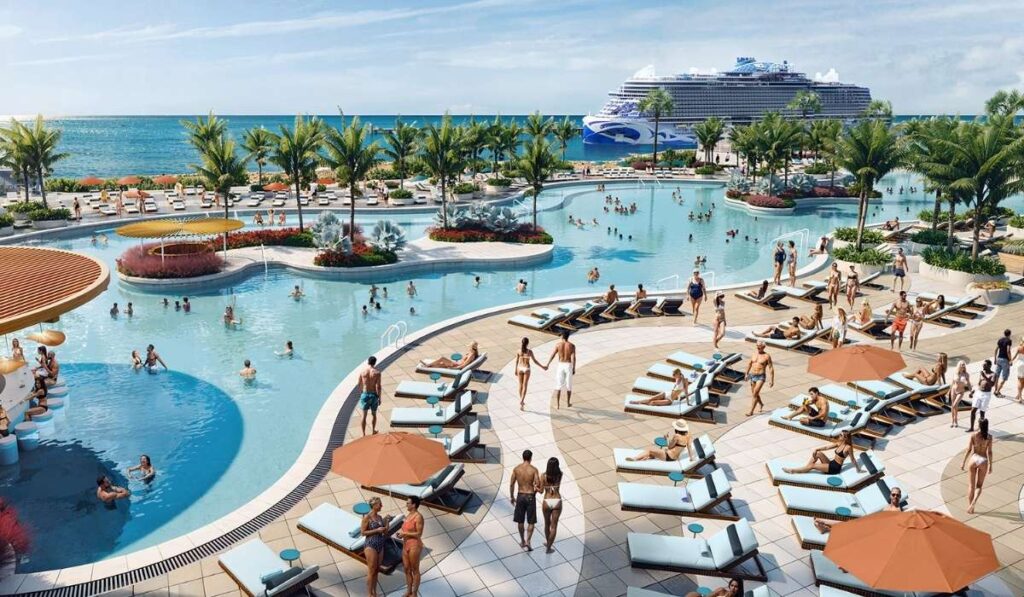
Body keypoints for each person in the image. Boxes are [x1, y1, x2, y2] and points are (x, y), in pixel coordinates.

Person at [813, 487, 903, 534]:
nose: (895, 496)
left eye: (897, 495)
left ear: (900, 497)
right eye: (893, 494)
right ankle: (826, 528)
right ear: (890, 495)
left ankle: (824, 525)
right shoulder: (887, 506)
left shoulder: (898, 511)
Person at [784, 430, 861, 474]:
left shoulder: (848, 447)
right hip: (831, 463)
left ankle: (793, 470)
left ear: (845, 438)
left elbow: (853, 459)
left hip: (835, 468)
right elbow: (827, 447)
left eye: (841, 435)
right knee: (818, 453)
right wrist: (817, 449)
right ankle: (806, 468)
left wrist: (858, 469)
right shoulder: (839, 443)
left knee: (813, 465)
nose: (839, 436)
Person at [360, 497, 394, 597]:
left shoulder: (379, 517)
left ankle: (374, 593)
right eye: (379, 504)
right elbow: (363, 532)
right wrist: (376, 530)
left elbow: (385, 531)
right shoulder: (367, 518)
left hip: (380, 544)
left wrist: (387, 522)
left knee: (376, 570)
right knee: (371, 570)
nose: (381, 506)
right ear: (374, 506)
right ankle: (369, 594)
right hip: (371, 544)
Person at [510, 450, 541, 551]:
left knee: (520, 520)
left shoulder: (516, 469)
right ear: (531, 458)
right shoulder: (534, 470)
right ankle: (528, 541)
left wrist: (512, 497)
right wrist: (535, 490)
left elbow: (511, 484)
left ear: (523, 457)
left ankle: (522, 541)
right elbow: (538, 483)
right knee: (531, 521)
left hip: (520, 495)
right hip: (530, 496)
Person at [962, 418, 993, 514]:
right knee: (979, 486)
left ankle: (971, 507)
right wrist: (991, 465)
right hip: (983, 460)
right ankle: (974, 503)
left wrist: (963, 462)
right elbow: (990, 452)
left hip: (974, 459)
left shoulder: (974, 435)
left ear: (979, 425)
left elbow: (968, 449)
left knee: (971, 485)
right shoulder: (989, 437)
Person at [626, 419, 695, 461]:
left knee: (649, 450)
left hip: (669, 456)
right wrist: (691, 457)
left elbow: (669, 447)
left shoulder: (676, 436)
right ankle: (644, 458)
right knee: (653, 454)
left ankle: (635, 458)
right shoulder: (688, 435)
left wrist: (666, 438)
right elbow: (689, 447)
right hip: (675, 458)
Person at [397, 496, 424, 596]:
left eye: (408, 503)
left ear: (414, 505)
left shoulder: (418, 517)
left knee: (415, 569)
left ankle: (415, 593)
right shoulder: (409, 515)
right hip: (405, 545)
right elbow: (406, 530)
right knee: (407, 569)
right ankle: (409, 590)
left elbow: (419, 533)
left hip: (414, 545)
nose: (406, 504)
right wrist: (401, 534)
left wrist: (405, 534)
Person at [546, 330, 576, 409]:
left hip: (560, 365)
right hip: (568, 364)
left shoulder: (558, 345)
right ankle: (568, 403)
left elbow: (553, 355)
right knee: (569, 385)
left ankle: (558, 405)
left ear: (562, 336)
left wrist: (548, 364)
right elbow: (574, 358)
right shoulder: (572, 346)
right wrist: (573, 368)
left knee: (558, 385)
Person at [515, 337, 547, 410]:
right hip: (526, 368)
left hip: (519, 368)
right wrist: (543, 367)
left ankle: (521, 402)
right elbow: (535, 361)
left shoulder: (518, 351)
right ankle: (522, 400)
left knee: (520, 385)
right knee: (525, 385)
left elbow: (516, 361)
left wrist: (515, 370)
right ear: (527, 343)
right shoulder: (530, 352)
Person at [539, 457, 563, 554]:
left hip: (547, 500)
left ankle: (548, 542)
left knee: (547, 524)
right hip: (557, 500)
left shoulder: (543, 476)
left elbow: (540, 491)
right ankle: (548, 547)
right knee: (554, 526)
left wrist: (536, 487)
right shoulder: (560, 475)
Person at [745, 341, 774, 416]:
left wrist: (771, 380)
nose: (757, 347)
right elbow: (749, 364)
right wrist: (746, 374)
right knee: (755, 394)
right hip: (752, 375)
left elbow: (771, 368)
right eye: (757, 345)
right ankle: (761, 404)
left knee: (755, 393)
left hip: (761, 377)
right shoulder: (754, 354)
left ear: (763, 347)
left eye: (759, 346)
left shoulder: (767, 356)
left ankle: (751, 411)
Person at [359, 356, 382, 435]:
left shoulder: (362, 372)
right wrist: (379, 398)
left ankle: (363, 434)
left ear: (368, 362)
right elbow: (378, 387)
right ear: (375, 363)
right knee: (374, 414)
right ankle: (373, 431)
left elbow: (359, 384)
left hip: (365, 394)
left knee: (364, 415)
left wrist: (362, 392)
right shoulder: (377, 373)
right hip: (373, 395)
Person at [969, 360, 995, 432]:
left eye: (985, 365)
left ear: (989, 366)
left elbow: (992, 384)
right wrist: (972, 391)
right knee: (973, 410)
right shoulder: (981, 373)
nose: (983, 366)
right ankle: (971, 427)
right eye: (983, 365)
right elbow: (979, 383)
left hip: (986, 394)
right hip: (979, 393)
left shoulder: (993, 374)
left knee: (982, 412)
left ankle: (981, 428)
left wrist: (985, 377)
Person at [950, 360, 972, 428]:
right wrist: (949, 391)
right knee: (954, 406)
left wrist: (971, 391)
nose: (963, 365)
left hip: (961, 391)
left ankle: (956, 419)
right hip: (953, 390)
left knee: (954, 405)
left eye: (964, 364)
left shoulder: (966, 374)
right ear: (959, 365)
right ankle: (953, 421)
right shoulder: (955, 373)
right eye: (962, 364)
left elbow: (968, 383)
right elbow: (952, 382)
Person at [994, 329, 1013, 397]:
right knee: (1004, 377)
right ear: (1010, 334)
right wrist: (1010, 360)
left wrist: (995, 358)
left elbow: (996, 349)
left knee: (997, 375)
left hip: (999, 359)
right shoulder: (1009, 341)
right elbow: (1008, 351)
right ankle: (997, 391)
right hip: (1005, 360)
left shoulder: (1000, 340)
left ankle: (995, 389)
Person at [1013, 337, 1024, 403]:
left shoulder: (1019, 348)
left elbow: (1014, 356)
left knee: (1020, 381)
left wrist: (1011, 361)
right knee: (1023, 381)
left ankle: (1019, 397)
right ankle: (1019, 395)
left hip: (1020, 365)